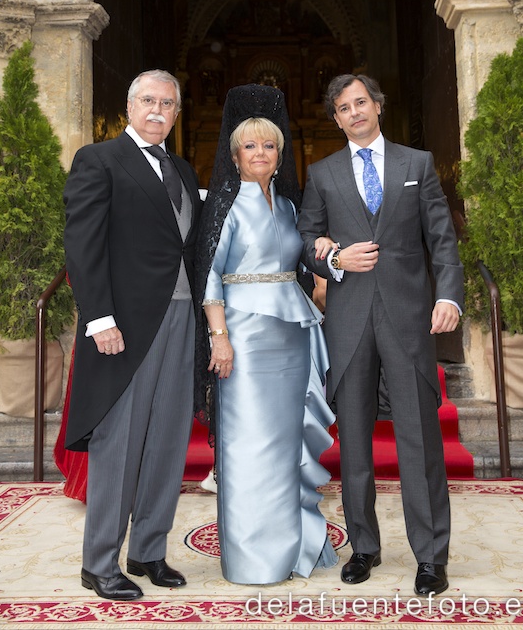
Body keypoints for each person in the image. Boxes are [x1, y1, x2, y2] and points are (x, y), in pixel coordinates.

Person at [297, 73, 464, 597]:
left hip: (409, 317)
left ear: (377, 106)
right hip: (347, 320)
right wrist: (333, 258)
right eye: (343, 107)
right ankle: (364, 547)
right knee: (355, 449)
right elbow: (304, 240)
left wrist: (449, 295)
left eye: (361, 102)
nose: (354, 112)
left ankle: (431, 557)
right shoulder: (321, 173)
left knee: (418, 439)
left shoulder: (417, 164)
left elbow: (441, 237)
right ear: (336, 117)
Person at [63, 69, 202, 602]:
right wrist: (99, 319)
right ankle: (99, 563)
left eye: (168, 104)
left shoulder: (183, 170)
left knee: (167, 442)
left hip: (181, 321)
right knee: (117, 446)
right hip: (122, 328)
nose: (158, 111)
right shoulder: (99, 160)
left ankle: (148, 550)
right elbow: (83, 243)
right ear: (129, 106)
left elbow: (188, 248)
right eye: (148, 100)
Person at [194, 84, 338, 585]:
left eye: (269, 146)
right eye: (250, 146)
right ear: (235, 155)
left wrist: (329, 257)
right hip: (243, 337)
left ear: (280, 155)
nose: (260, 153)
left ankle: (294, 549)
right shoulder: (224, 205)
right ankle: (252, 558)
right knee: (247, 445)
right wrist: (219, 337)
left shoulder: (291, 206)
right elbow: (210, 276)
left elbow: (303, 261)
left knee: (284, 443)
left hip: (292, 335)